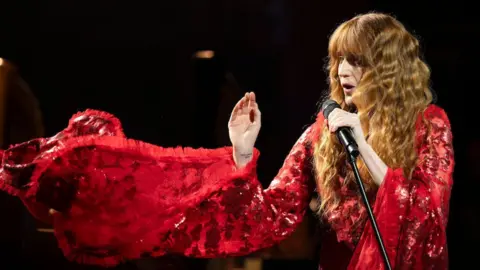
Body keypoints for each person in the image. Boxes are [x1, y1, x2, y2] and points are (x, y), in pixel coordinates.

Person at [0, 12, 454, 269]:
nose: (341, 73)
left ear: (388, 67)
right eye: (338, 61)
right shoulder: (326, 131)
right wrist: (240, 153)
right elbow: (270, 216)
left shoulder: (430, 126)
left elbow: (426, 215)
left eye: (355, 60)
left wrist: (365, 145)